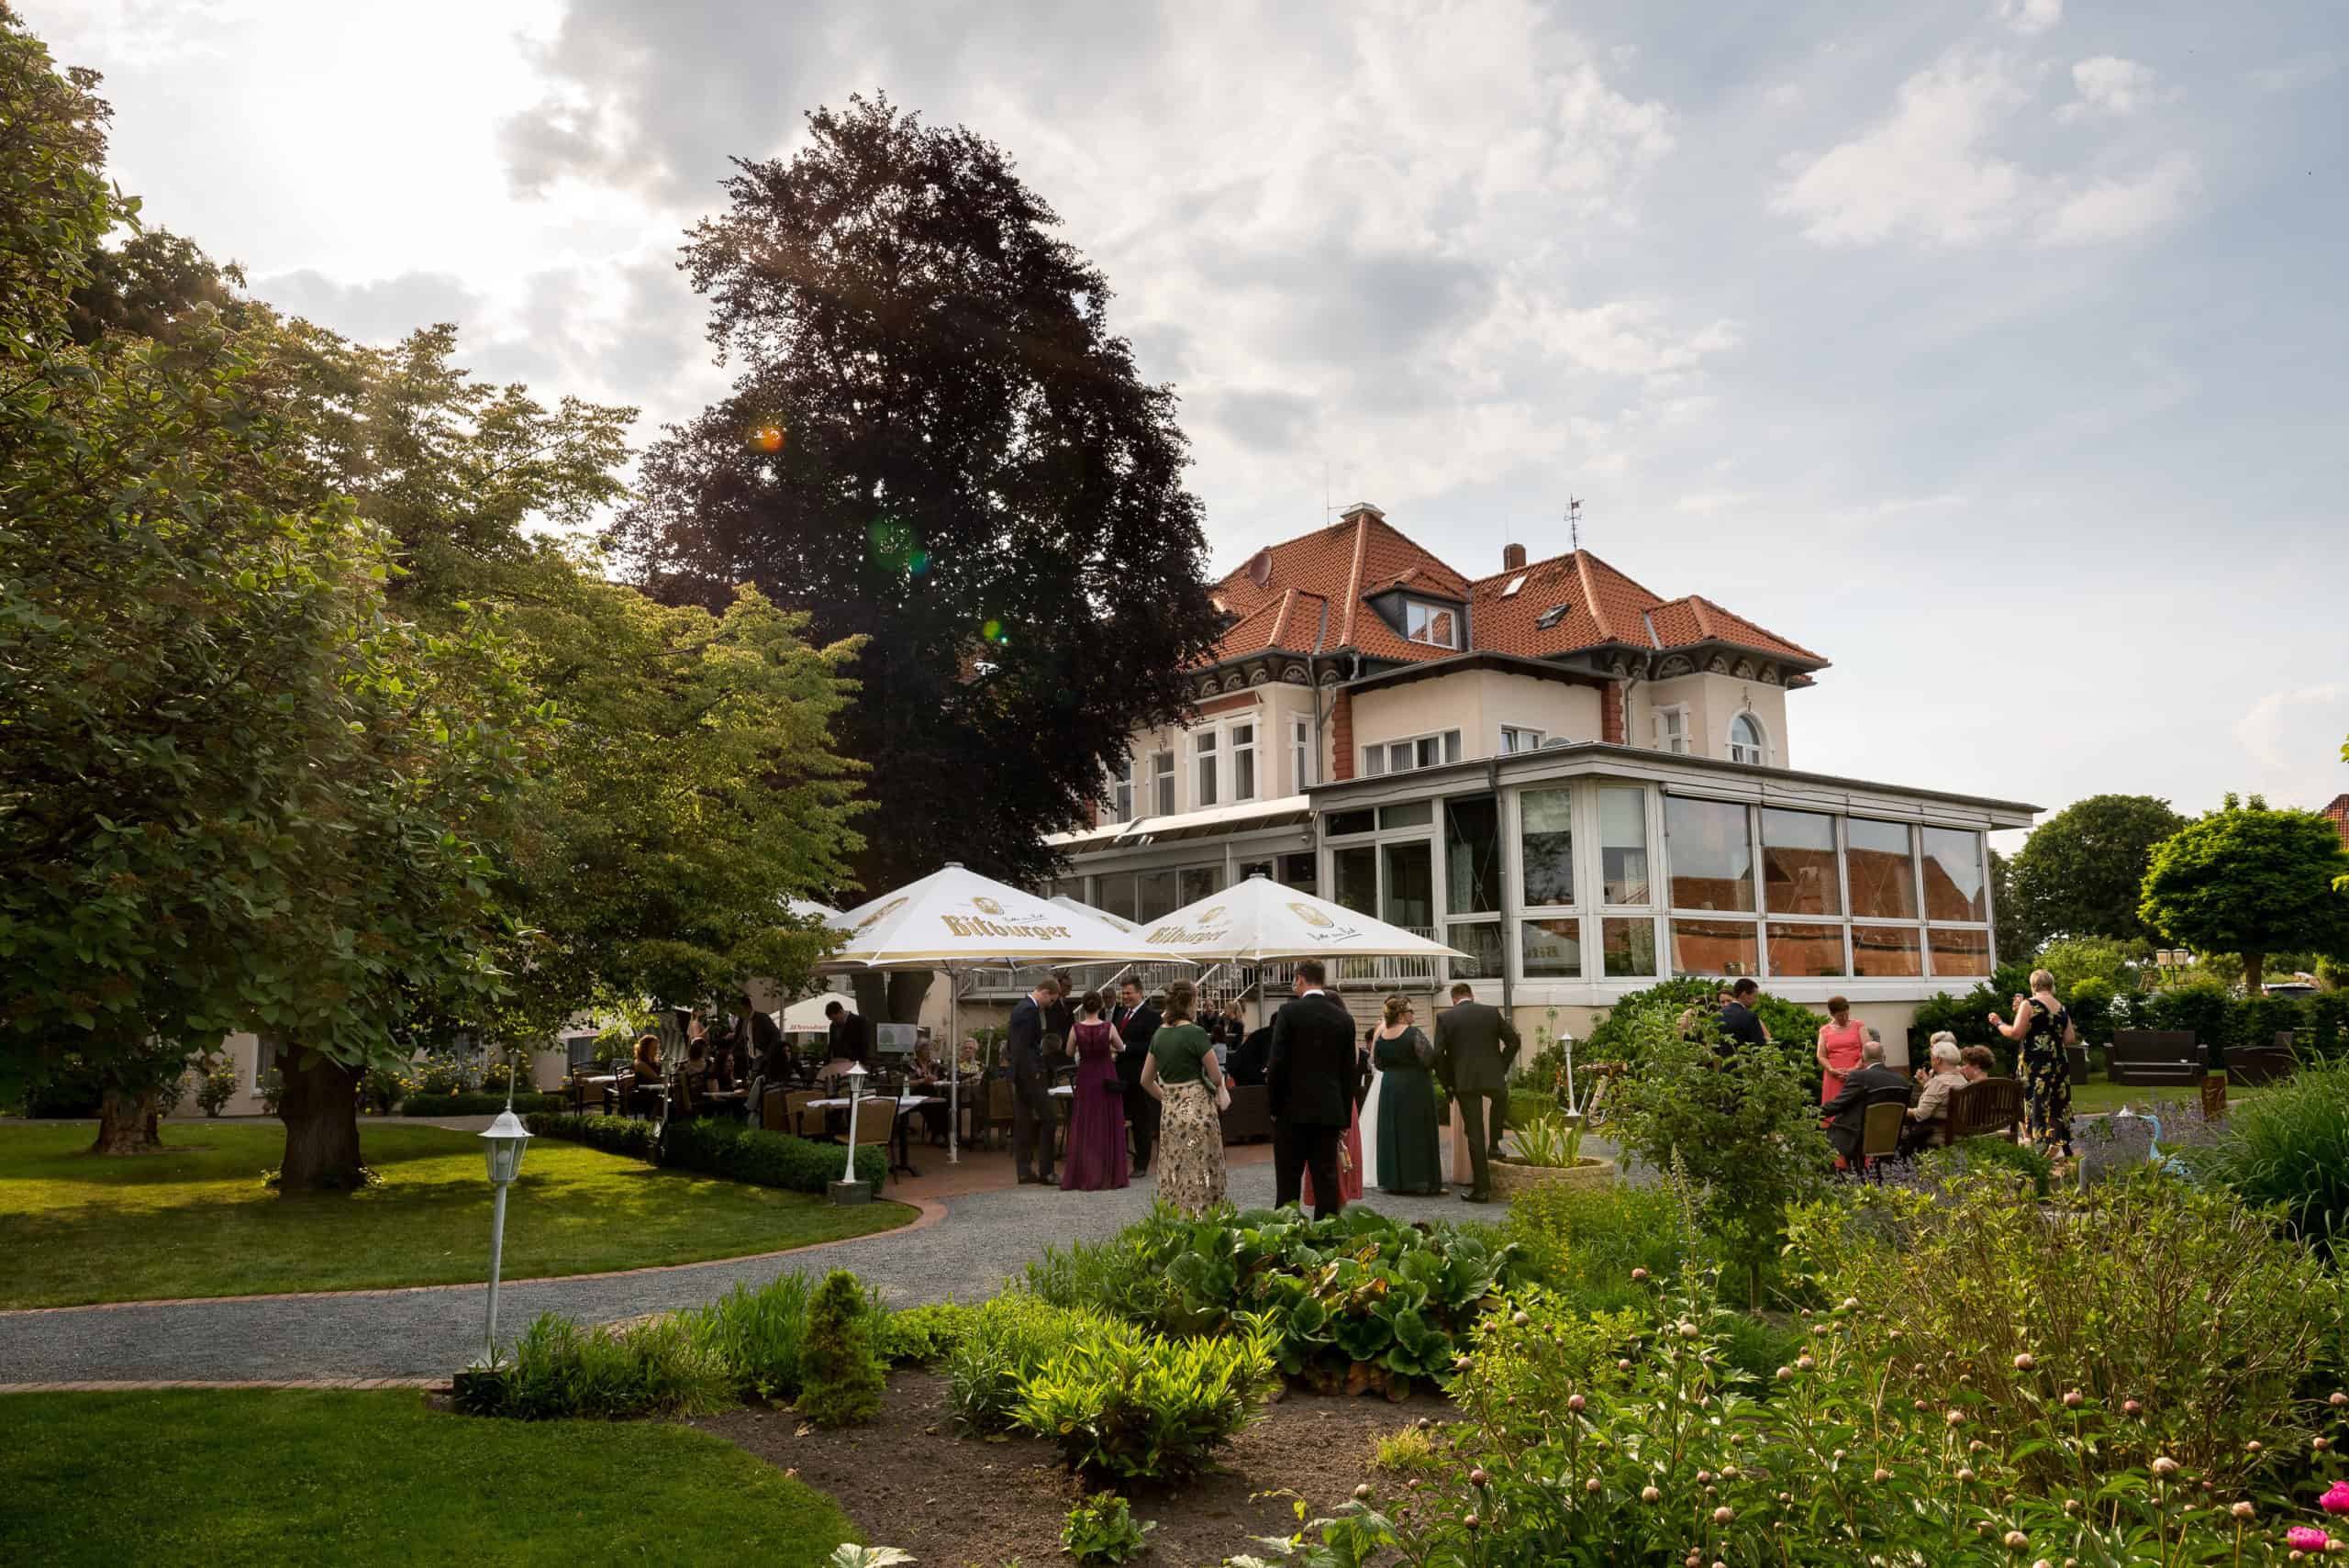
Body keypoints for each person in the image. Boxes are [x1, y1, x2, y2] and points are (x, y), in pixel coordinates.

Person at [1266, 960, 1356, 1218]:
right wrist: (1344, 1116)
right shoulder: (1344, 1018)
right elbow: (1348, 1071)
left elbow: (1277, 1064)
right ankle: (1326, 1235)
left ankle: (1287, 1233)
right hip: (1329, 1110)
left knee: (1288, 1181)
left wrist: (1273, 1107)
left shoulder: (1288, 1013)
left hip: (1290, 1110)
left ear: (1300, 979)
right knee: (1326, 1179)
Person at [1143, 979, 1228, 1215]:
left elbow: (1145, 1080)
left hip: (1171, 1113)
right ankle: (1203, 1219)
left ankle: (1176, 1218)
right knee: (1202, 1168)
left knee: (1175, 1168)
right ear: (1190, 1000)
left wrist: (1168, 1099)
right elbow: (1216, 1075)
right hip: (1198, 1110)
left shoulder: (1159, 1035)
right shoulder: (1196, 1033)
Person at [1434, 981, 1521, 1205]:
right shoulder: (1491, 1012)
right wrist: (1501, 1066)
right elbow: (1513, 1041)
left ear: (1453, 999)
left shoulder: (1446, 1018)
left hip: (1465, 1081)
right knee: (1500, 1099)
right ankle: (1495, 1143)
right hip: (1492, 1076)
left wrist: (1448, 1083)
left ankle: (1482, 1190)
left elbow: (1438, 1055)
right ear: (1471, 995)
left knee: (1474, 1133)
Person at [1991, 968, 2076, 1162]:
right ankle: (2059, 1145)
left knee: (2035, 1100)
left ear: (2033, 986)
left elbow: (2015, 1033)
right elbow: (2070, 1038)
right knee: (2057, 1101)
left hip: (2036, 1062)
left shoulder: (2029, 1004)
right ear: (2051, 985)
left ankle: (2038, 1146)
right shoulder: (2061, 1007)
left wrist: (1998, 1023)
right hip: (2058, 1062)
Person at [1371, 995, 1442, 1195]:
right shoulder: (1413, 1033)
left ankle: (1395, 1179)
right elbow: (1428, 1059)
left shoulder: (1383, 1035)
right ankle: (1421, 1179)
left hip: (1391, 1086)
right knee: (1418, 1130)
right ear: (1402, 1015)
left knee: (1394, 1131)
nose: (1413, 1014)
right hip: (1415, 1085)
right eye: (1410, 1010)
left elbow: (1378, 1063)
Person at [1059, 991, 1130, 1191]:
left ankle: (1085, 1173)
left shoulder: (1076, 1028)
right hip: (1106, 1075)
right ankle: (1109, 1173)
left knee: (1085, 1121)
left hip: (1086, 1077)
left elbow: (1069, 1052)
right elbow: (1121, 1047)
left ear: (1084, 1006)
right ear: (1100, 1007)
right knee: (1107, 1121)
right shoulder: (1108, 1027)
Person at [1301, 1025, 1369, 1213]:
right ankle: (1339, 1204)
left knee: (1333, 1155)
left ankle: (1332, 1206)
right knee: (1341, 1154)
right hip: (1344, 1101)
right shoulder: (1347, 1036)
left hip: (1330, 1102)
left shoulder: (1317, 1036)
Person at [1818, 1039, 1913, 1168]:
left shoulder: (1859, 1077)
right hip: (1890, 1137)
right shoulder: (1902, 1081)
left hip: (1858, 1139)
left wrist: (1812, 1112)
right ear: (1884, 1058)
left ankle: (1840, 1177)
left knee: (1823, 1135)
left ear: (1862, 1058)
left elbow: (1837, 1105)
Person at [1005, 978, 1059, 1184]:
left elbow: (1012, 1044)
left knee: (1024, 1122)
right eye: (1051, 1000)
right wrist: (1035, 1072)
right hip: (1029, 1075)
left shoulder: (1020, 1007)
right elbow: (1024, 1046)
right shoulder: (1029, 1010)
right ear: (1045, 993)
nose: (1051, 1004)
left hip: (1020, 1074)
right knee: (1049, 1118)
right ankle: (1047, 1171)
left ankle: (1025, 1171)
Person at [1110, 978, 1162, 1174]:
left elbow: (1153, 1046)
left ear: (1140, 993)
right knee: (1120, 1119)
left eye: (1128, 993)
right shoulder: (1121, 1013)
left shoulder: (1152, 1016)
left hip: (1141, 1076)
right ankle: (1120, 1162)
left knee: (1142, 1121)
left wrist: (1125, 1048)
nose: (1125, 997)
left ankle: (1141, 1164)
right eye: (1123, 993)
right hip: (1121, 1076)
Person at [1904, 1037, 1969, 1152]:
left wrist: (1902, 1110)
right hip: (1959, 1134)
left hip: (1937, 1134)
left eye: (1931, 1057)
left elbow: (1921, 1114)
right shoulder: (1962, 1079)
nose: (1931, 1060)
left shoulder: (1939, 1082)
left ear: (1938, 1060)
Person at [1815, 995, 1865, 1105]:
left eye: (1846, 1014)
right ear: (1832, 1014)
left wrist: (1855, 1069)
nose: (1844, 1018)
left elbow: (1868, 1051)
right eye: (1840, 1016)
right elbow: (1821, 1055)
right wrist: (1831, 1070)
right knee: (1833, 1108)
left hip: (1856, 1074)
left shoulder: (1858, 1026)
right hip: (1834, 1076)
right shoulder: (1824, 1030)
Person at [1714, 978, 1769, 1053]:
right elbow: (1760, 1046)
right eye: (1754, 996)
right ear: (1744, 994)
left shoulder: (1717, 1015)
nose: (1756, 1000)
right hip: (1745, 1063)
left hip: (1725, 1063)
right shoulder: (1749, 1016)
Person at [744, 996, 787, 1082]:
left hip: (762, 1057)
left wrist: (767, 1055)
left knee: (757, 1083)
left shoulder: (762, 1018)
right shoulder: (745, 1022)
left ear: (747, 1007)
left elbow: (776, 1035)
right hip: (751, 1059)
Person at [824, 1000, 872, 1073]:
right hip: (837, 1065)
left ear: (840, 1012)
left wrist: (861, 1063)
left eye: (835, 1019)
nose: (834, 1022)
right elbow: (831, 1044)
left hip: (854, 1064)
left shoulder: (860, 1021)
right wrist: (827, 1062)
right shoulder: (833, 1025)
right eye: (832, 1020)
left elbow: (864, 1044)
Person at [1229, 1022, 1272, 1086]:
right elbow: (1266, 1060)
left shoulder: (1263, 1032)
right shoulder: (1269, 1035)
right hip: (1244, 1069)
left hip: (1240, 1066)